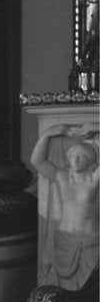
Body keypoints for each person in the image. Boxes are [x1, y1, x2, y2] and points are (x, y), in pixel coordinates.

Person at [29, 123, 99, 289]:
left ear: (89, 161)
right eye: (72, 156)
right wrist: (48, 134)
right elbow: (37, 161)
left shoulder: (94, 181)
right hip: (64, 242)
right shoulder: (62, 178)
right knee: (62, 293)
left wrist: (96, 127)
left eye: (80, 156)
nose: (75, 160)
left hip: (90, 242)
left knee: (91, 292)